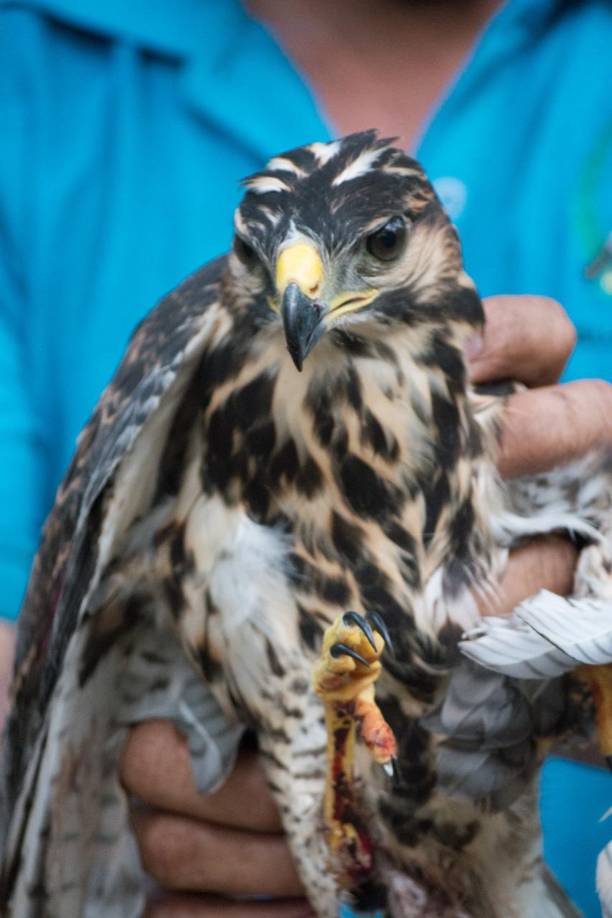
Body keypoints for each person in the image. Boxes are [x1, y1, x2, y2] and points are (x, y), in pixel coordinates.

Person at [1, 0, 610, 914]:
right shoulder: (29, 64)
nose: (309, 300)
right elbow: (45, 689)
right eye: (270, 263)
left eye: (380, 250)